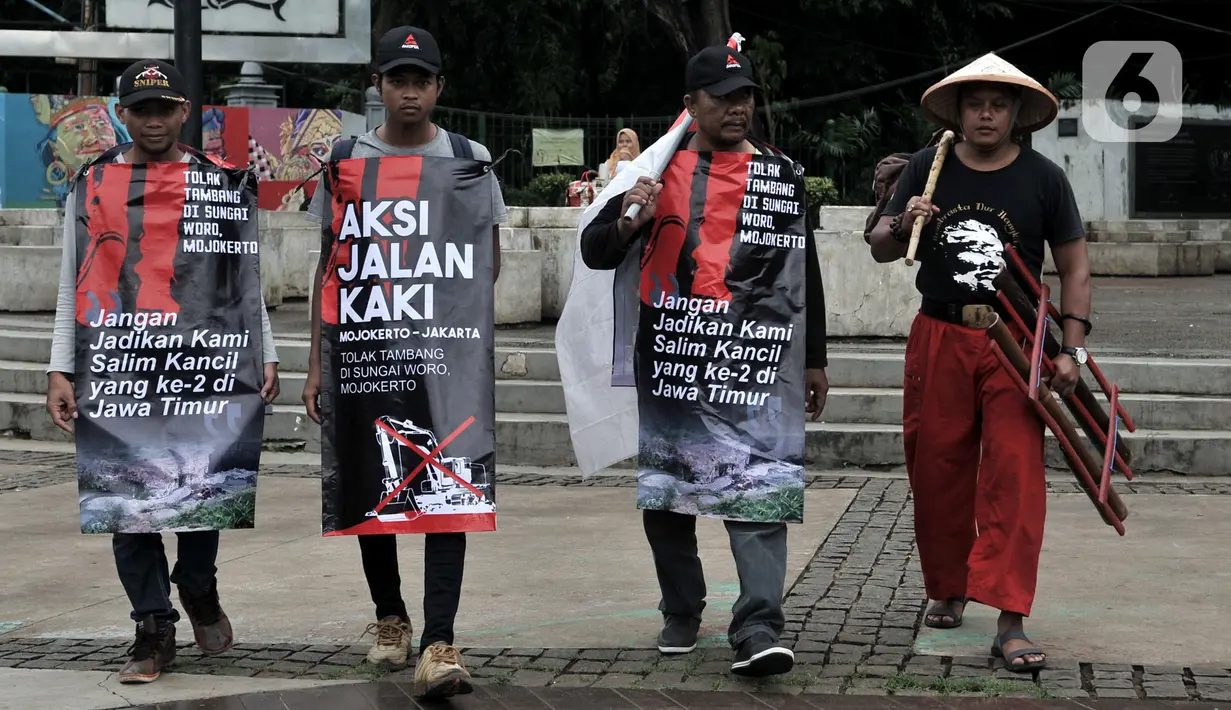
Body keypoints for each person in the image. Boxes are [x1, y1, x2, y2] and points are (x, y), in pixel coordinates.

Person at [577, 44, 830, 677]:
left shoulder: (780, 175)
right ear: (692, 106)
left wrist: (815, 359)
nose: (738, 107)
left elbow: (807, 274)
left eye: (745, 96)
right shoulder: (658, 173)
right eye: (722, 97)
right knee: (669, 490)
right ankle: (682, 608)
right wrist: (633, 213)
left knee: (760, 489)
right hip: (671, 361)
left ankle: (760, 623)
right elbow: (596, 250)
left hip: (757, 365)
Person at [44, 58, 281, 684]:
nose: (154, 119)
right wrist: (59, 367)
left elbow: (243, 278)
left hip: (206, 358)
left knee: (205, 488)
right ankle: (152, 628)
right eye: (140, 109)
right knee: (127, 496)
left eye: (165, 108)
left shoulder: (220, 182)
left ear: (184, 113)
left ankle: (198, 588)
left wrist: (268, 351)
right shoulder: (92, 183)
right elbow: (73, 277)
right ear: (123, 114)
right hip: (117, 359)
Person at [301, 25, 508, 700]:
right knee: (373, 488)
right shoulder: (345, 159)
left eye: (421, 81)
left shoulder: (468, 157)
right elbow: (329, 268)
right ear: (378, 86)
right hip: (364, 350)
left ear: (439, 87)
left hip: (445, 355)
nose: (409, 92)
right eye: (398, 80)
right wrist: (314, 366)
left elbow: (486, 262)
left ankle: (439, 641)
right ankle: (391, 618)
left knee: (449, 487)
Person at [867, 53, 1091, 673]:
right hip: (939, 334)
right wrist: (903, 219)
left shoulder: (1045, 179)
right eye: (974, 103)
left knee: (1015, 473)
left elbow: (1073, 268)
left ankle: (1011, 616)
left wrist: (1070, 348)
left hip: (1017, 341)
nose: (985, 113)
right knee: (935, 465)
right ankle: (947, 584)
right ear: (959, 112)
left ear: (1017, 114)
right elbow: (883, 248)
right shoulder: (927, 167)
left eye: (998, 104)